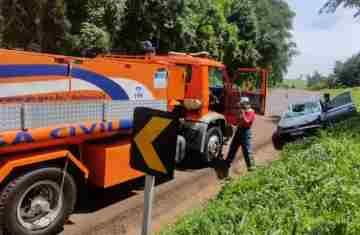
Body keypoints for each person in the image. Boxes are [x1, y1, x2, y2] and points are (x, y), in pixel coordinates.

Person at [226, 96, 256, 171]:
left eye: (242, 104)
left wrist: (242, 114)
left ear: (246, 104)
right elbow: (237, 122)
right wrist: (231, 123)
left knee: (247, 150)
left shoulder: (251, 112)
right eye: (241, 104)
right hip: (239, 131)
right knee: (233, 147)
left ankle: (251, 166)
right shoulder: (242, 111)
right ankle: (227, 163)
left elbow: (246, 122)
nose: (241, 106)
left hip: (246, 132)